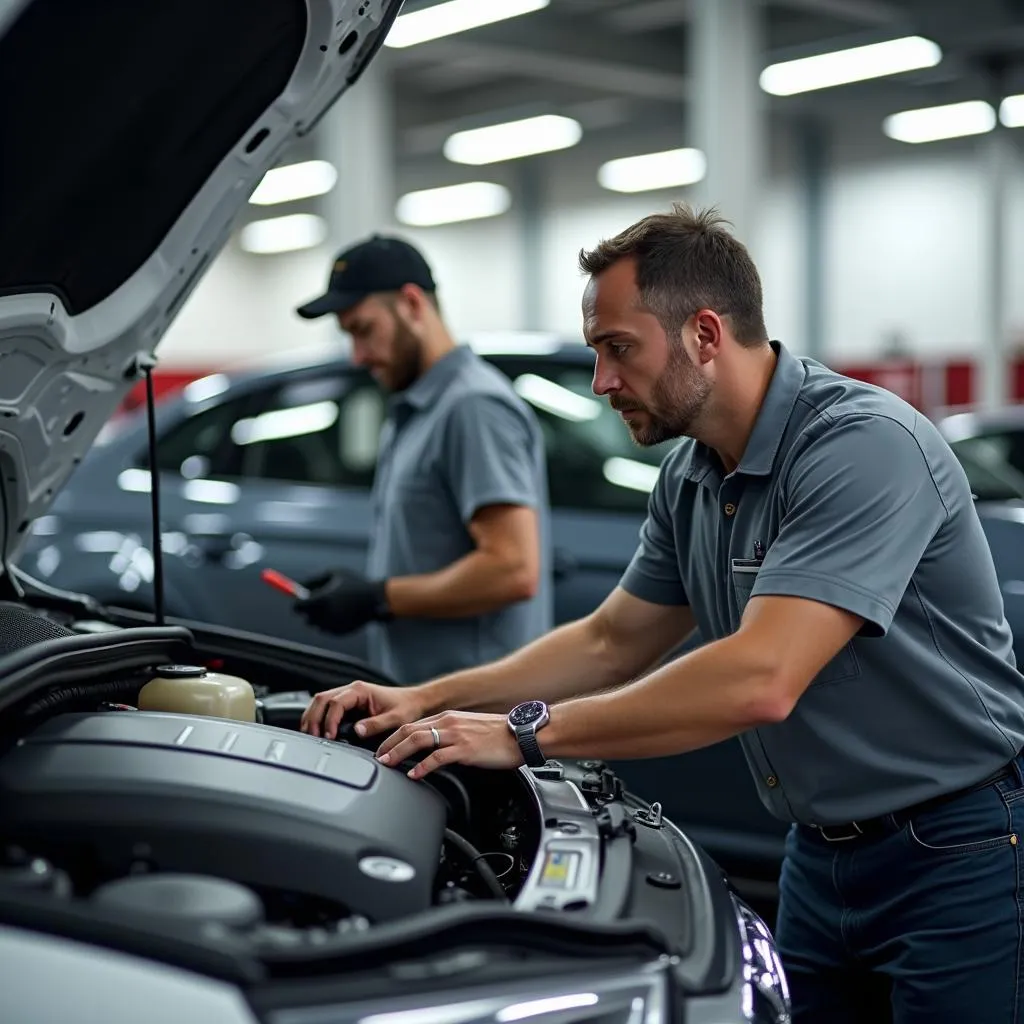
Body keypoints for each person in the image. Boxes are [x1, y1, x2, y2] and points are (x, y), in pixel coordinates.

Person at [301, 203, 1024, 1022]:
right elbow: (612, 640)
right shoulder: (692, 476)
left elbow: (761, 677)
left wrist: (521, 733)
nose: (603, 382)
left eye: (618, 349)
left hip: (956, 848)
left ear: (705, 334)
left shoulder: (860, 445)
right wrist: (428, 700)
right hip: (818, 855)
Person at [293, 233, 552, 685]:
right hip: (428, 705)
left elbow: (511, 570)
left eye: (363, 330)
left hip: (474, 715)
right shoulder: (413, 408)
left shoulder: (473, 408)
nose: (357, 356)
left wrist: (379, 597)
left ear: (412, 304)